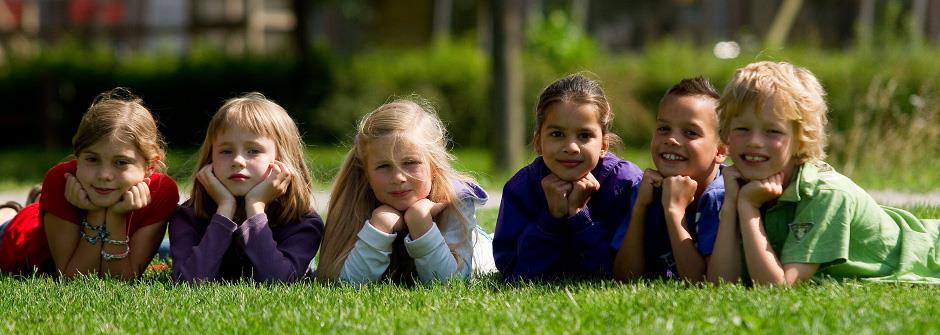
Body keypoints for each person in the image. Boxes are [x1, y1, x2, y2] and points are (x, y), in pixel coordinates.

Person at [707, 61, 940, 286]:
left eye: (773, 131)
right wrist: (731, 204)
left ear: (801, 140)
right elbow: (720, 284)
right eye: (742, 129)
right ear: (726, 133)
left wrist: (748, 209)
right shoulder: (741, 184)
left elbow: (776, 288)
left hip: (930, 254)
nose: (755, 142)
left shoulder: (826, 195)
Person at [0, 88, 178, 280]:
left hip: (54, 220)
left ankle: (37, 202)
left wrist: (116, 217)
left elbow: (120, 278)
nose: (104, 175)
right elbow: (74, 277)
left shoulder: (161, 191)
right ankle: (10, 211)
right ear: (78, 156)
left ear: (150, 166)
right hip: (18, 235)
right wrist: (96, 214)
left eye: (121, 162)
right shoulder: (61, 179)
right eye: (92, 159)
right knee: (9, 223)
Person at [314, 98, 491, 284]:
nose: (398, 177)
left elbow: (451, 283)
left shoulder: (456, 199)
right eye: (383, 166)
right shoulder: (356, 199)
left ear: (434, 166)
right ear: (366, 173)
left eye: (410, 163)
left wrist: (421, 224)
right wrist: (380, 226)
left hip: (484, 249)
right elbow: (346, 285)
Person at [493, 73, 643, 281]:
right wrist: (551, 218)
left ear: (604, 145)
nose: (571, 147)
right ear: (538, 142)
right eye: (557, 134)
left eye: (584, 136)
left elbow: (616, 273)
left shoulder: (626, 184)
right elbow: (515, 273)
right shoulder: (520, 188)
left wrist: (580, 216)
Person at [169, 92, 323, 283]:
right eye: (226, 151)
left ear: (282, 161)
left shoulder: (303, 221)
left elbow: (280, 283)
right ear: (210, 159)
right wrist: (224, 209)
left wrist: (255, 206)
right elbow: (189, 282)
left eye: (253, 151)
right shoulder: (188, 216)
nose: (238, 161)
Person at [612, 77, 728, 282]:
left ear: (720, 151)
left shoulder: (722, 196)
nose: (672, 140)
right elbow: (625, 278)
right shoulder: (648, 189)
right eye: (664, 129)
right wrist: (640, 208)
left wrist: (674, 210)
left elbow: (702, 283)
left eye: (690, 132)